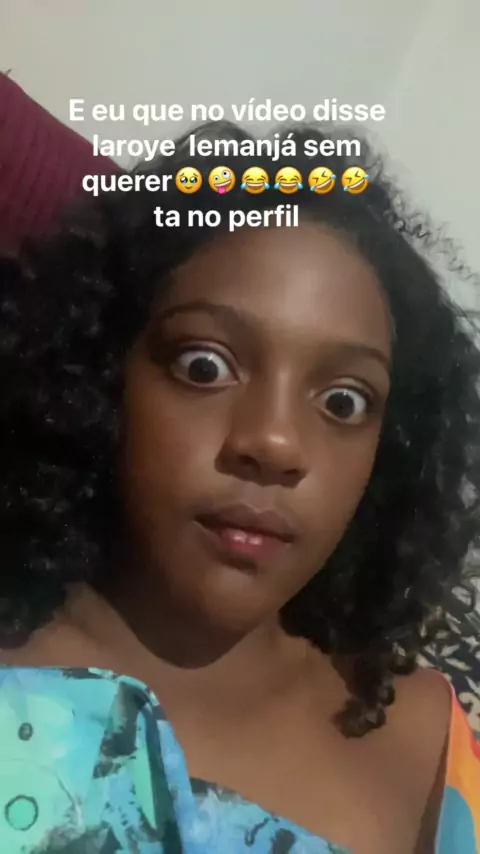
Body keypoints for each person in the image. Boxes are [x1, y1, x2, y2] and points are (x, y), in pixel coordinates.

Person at [0, 122, 479, 854]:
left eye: (344, 401)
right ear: (99, 370)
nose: (276, 443)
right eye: (205, 366)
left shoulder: (431, 738)